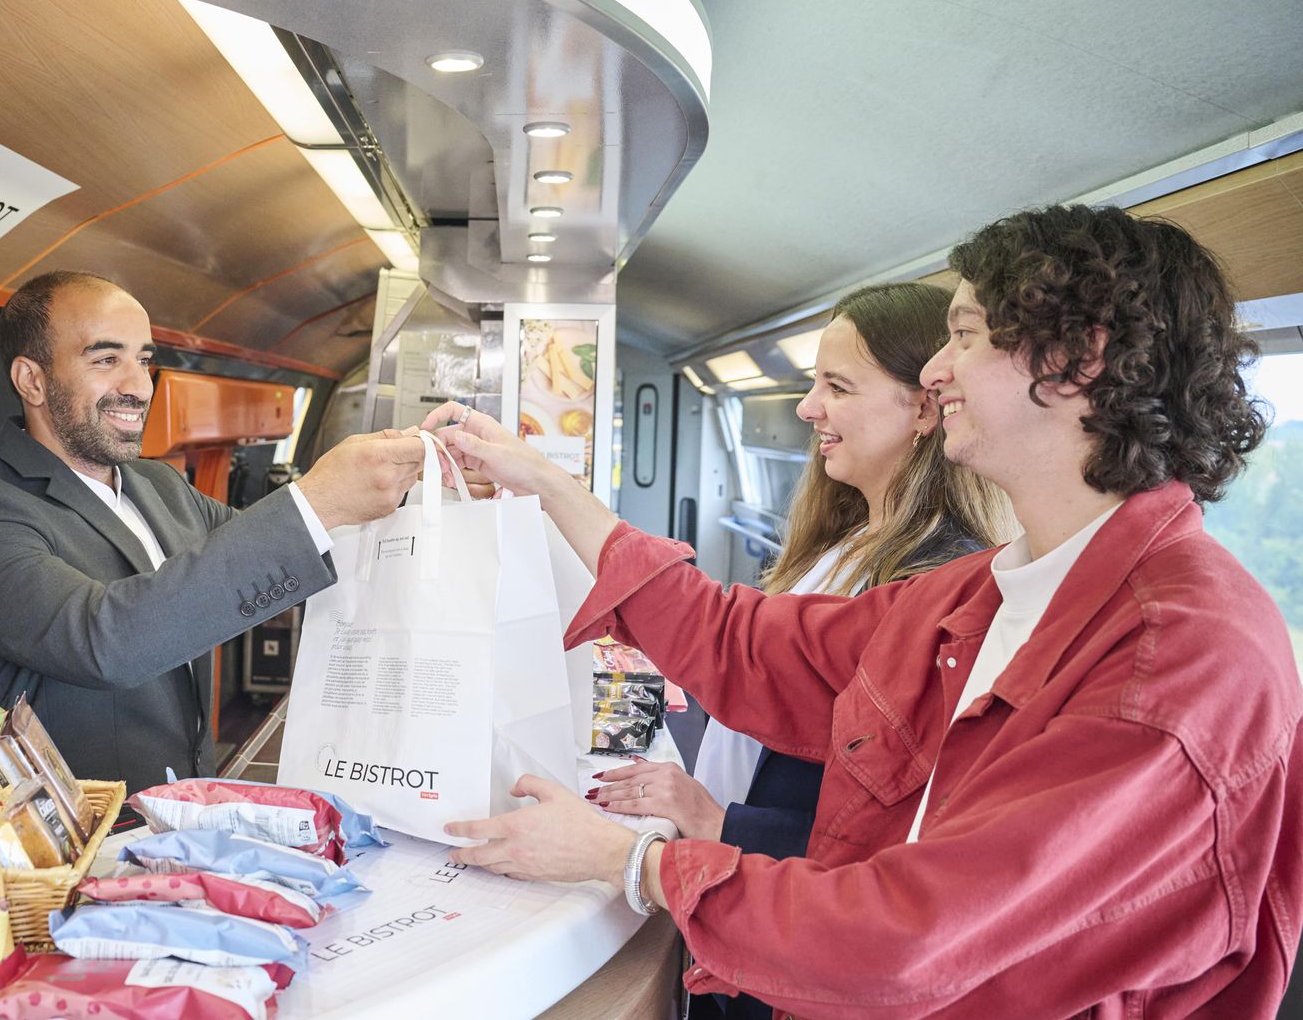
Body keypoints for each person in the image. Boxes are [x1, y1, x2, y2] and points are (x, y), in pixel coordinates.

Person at [431, 205, 1300, 1017]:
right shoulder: (990, 591)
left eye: (962, 336)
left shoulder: (1180, 656)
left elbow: (914, 939)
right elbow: (744, 645)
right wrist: (544, 483)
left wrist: (633, 863)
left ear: (1075, 361)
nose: (934, 371)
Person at [594, 283, 1011, 1020]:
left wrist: (717, 820)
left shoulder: (935, 589)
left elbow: (889, 840)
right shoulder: (849, 542)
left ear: (922, 408)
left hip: (777, 923)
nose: (806, 408)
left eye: (835, 386)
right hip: (734, 888)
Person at [0, 271, 423, 790]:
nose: (139, 385)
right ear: (32, 380)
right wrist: (317, 500)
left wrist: (419, 493)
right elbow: (107, 641)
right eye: (105, 360)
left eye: (143, 360)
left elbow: (268, 560)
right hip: (92, 842)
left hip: (186, 804)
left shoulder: (158, 485)